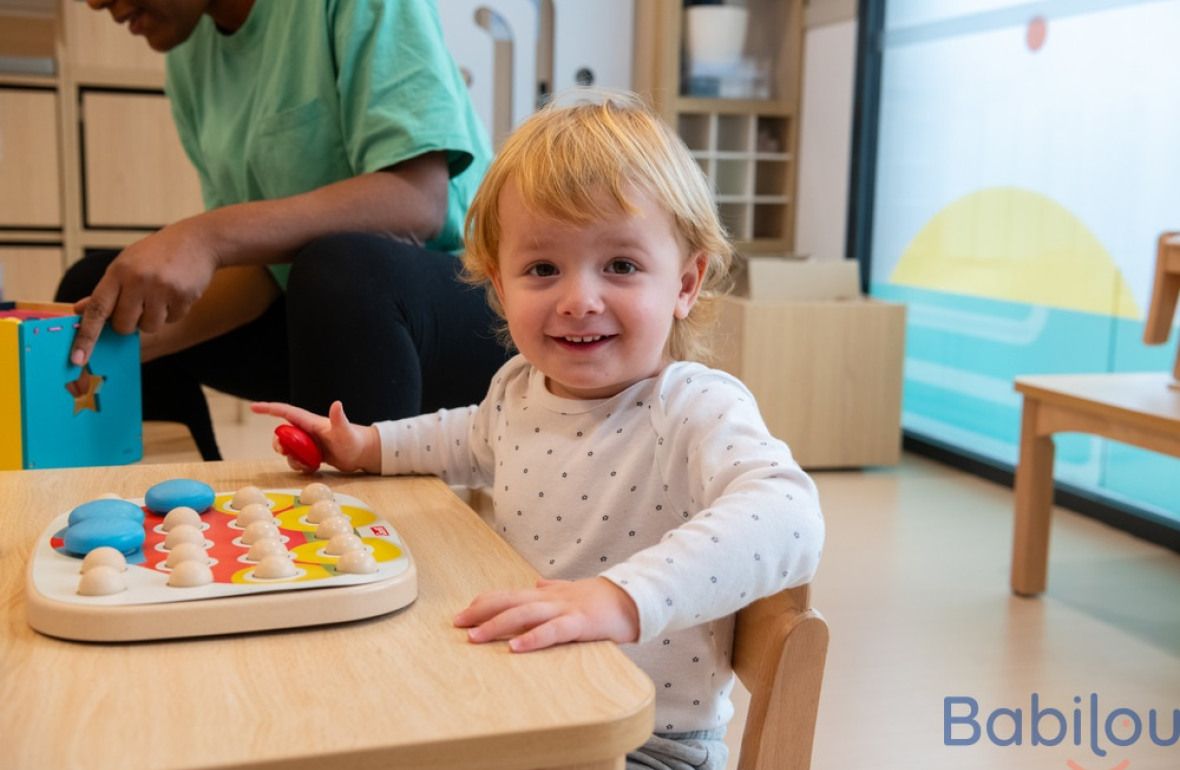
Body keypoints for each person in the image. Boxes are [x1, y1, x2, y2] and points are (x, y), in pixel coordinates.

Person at [253, 92, 825, 770]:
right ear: (498, 286)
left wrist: (622, 599)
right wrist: (367, 447)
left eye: (621, 266)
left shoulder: (695, 408)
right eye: (543, 269)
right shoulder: (520, 387)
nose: (579, 299)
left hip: (645, 742)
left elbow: (789, 517)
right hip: (526, 702)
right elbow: (466, 438)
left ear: (686, 283)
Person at [58, 0, 509, 460]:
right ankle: (176, 513)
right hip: (329, 310)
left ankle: (350, 523)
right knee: (113, 292)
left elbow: (419, 201)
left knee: (340, 271)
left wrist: (206, 236)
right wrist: (117, 337)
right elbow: (262, 271)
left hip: (473, 304)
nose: (94, 3)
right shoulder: (189, 54)